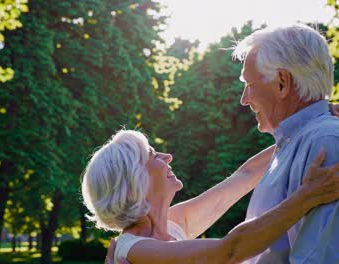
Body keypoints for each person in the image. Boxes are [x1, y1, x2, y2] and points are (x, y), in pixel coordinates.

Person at [81, 129, 339, 263]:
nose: (167, 157)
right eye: (152, 155)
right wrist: (308, 196)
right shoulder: (134, 249)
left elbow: (246, 175)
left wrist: (305, 132)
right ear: (135, 181)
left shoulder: (173, 226)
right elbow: (231, 251)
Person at [232, 23, 339, 263]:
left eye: (249, 85)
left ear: (282, 82)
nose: (244, 100)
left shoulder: (326, 143)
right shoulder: (293, 143)